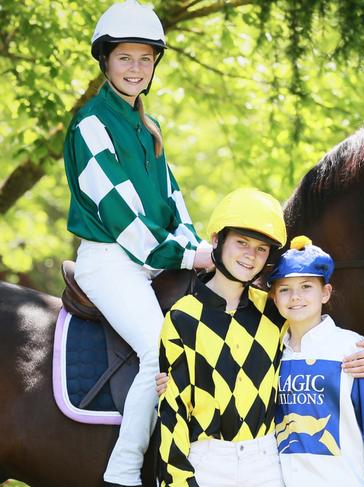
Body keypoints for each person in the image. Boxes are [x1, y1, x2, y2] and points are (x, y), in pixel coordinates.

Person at [63, 1, 213, 485]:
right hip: (109, 261)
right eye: (125, 58)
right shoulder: (90, 125)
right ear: (105, 62)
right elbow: (122, 218)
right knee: (160, 351)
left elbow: (175, 203)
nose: (135, 68)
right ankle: (123, 473)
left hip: (152, 260)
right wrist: (187, 253)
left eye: (145, 59)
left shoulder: (151, 129)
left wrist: (195, 246)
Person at [157, 188, 364, 487]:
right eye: (241, 242)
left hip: (266, 458)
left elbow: (321, 342)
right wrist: (175, 480)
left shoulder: (273, 308)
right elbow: (172, 411)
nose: (250, 256)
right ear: (216, 240)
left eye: (261, 249)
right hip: (208, 460)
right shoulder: (182, 316)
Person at [268, 236, 364, 487]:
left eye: (306, 286)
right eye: (285, 289)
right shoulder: (271, 353)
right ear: (274, 298)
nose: (295, 297)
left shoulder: (351, 348)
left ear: (325, 293)